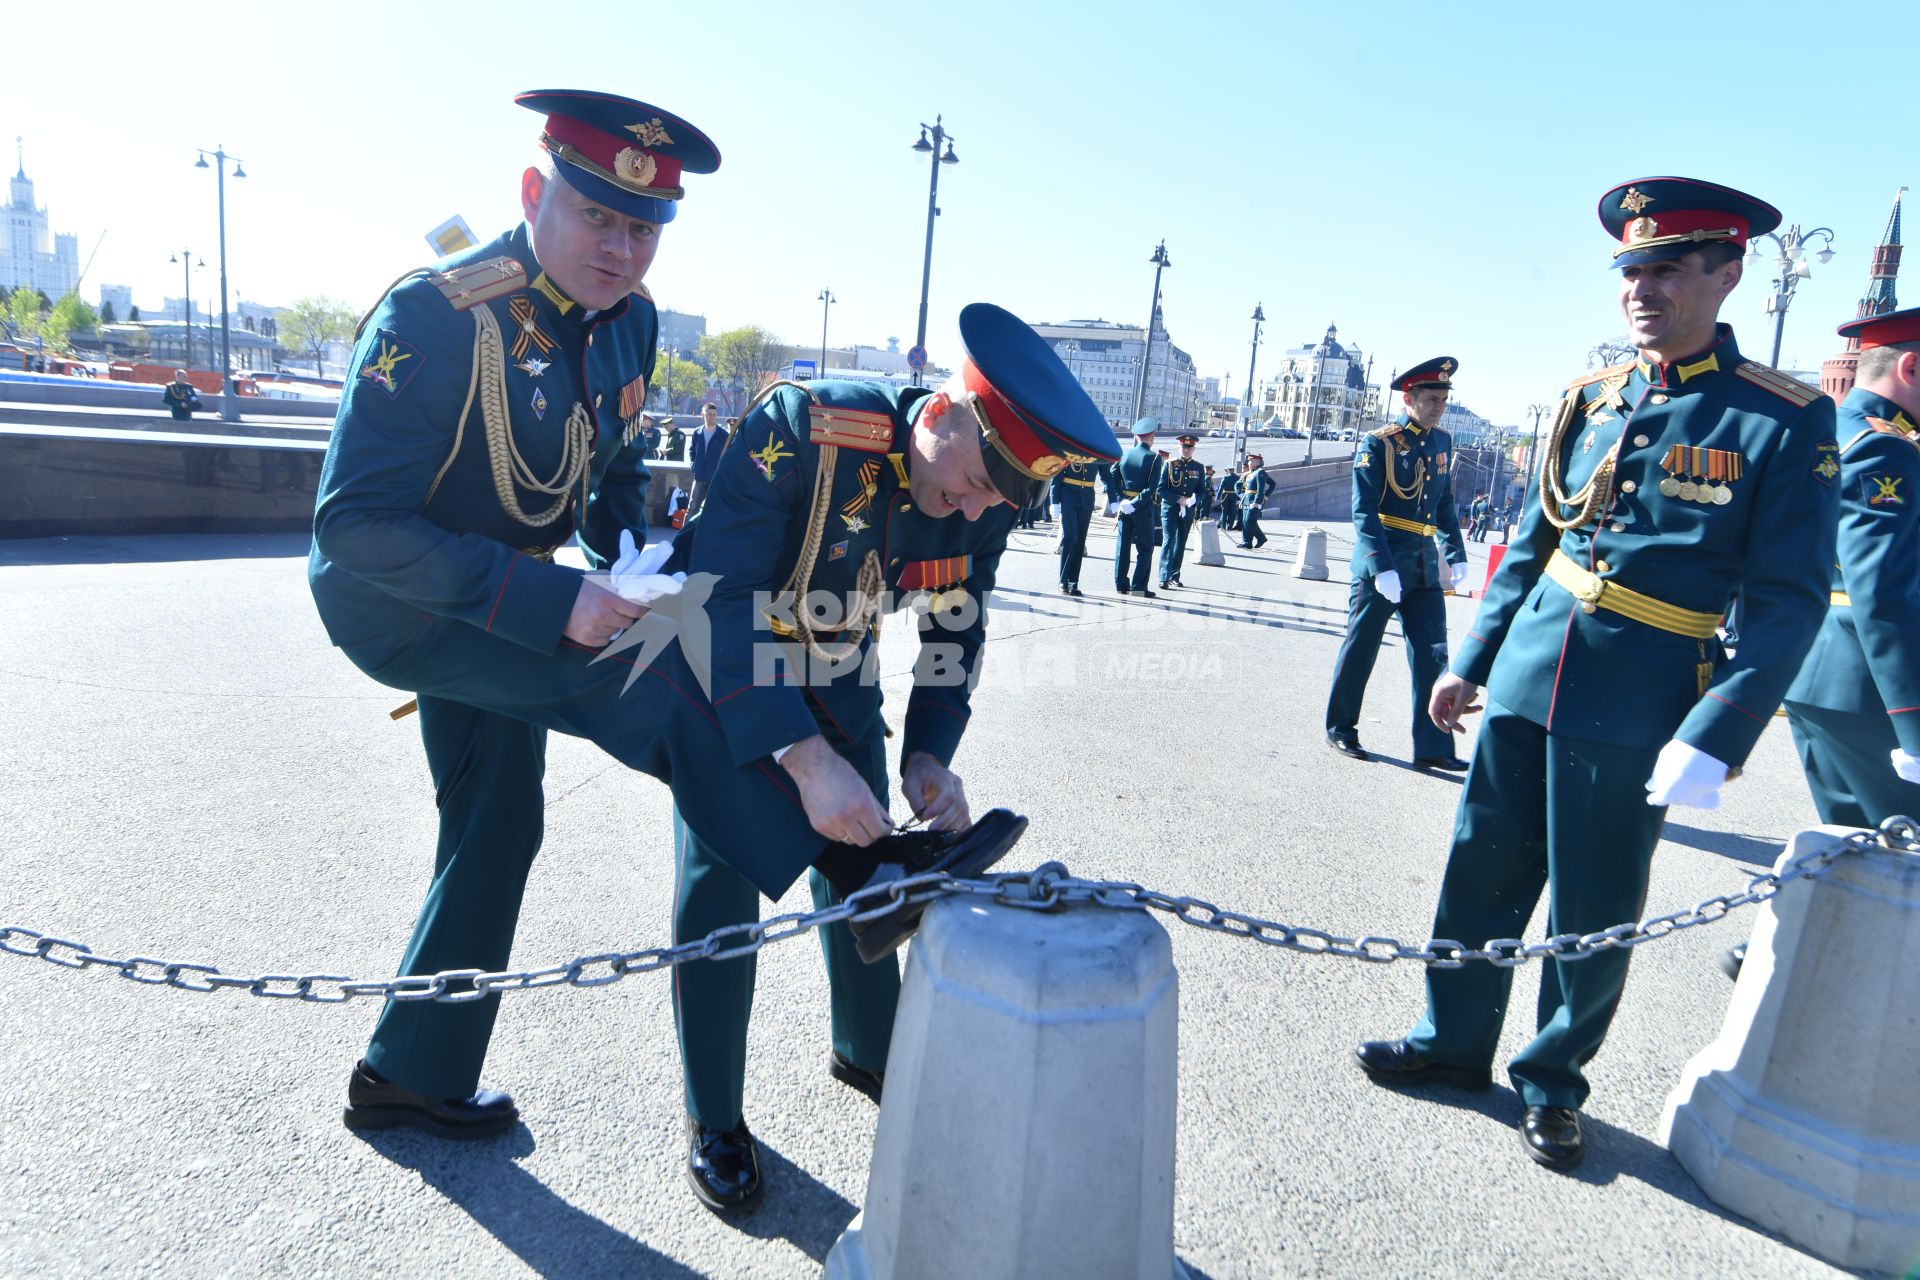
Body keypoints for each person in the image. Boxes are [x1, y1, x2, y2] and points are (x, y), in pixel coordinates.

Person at [311, 91, 1030, 1155]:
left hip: (509, 595)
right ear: (530, 193)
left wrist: (620, 561)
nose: (620, 247)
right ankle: (863, 874)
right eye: (596, 215)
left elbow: (593, 476)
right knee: (675, 691)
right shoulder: (435, 313)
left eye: (642, 228)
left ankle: (406, 1073)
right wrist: (565, 601)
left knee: (499, 818)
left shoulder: (627, 327)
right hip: (406, 609)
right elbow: (352, 528)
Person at [1355, 177, 1838, 1172]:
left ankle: (1551, 1079)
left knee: (1595, 902)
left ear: (1728, 272)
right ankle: (1453, 1043)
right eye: (1631, 269)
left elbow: (1789, 600)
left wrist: (1718, 730)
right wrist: (1470, 662)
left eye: (1666, 267)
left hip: (1646, 699)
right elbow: (1533, 549)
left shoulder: (1781, 419)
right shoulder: (1593, 398)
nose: (1641, 288)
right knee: (1478, 872)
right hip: (1533, 670)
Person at [665, 302, 1119, 1209]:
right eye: (974, 484)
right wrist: (797, 754)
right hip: (728, 669)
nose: (980, 509)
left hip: (842, 666)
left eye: (1001, 499)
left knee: (867, 859)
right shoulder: (804, 430)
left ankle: (869, 1050)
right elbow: (715, 601)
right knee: (721, 880)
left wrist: (928, 757)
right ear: (944, 412)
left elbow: (957, 627)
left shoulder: (986, 491)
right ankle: (714, 1114)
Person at [1716, 305, 1920, 979]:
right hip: (1867, 685)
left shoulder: (1822, 427)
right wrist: (1914, 729)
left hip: (1811, 673)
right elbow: (1883, 593)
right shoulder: (1887, 445)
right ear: (1912, 368)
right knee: (1897, 840)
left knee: (1850, 839)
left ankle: (1784, 958)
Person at [1323, 358, 1471, 768]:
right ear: (1408, 399)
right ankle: (1341, 727)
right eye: (1431, 399)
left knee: (1433, 656)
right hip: (1384, 563)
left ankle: (1434, 747)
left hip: (1423, 565)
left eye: (1443, 399)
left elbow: (1443, 503)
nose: (1439, 405)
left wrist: (1455, 553)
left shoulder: (1442, 441)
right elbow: (1364, 511)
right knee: (1362, 648)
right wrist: (1379, 565)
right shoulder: (1379, 443)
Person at [1111, 418, 1163, 596]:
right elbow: (1151, 488)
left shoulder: (1123, 455)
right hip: (1142, 509)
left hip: (1124, 507)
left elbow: (1112, 479)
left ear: (1137, 436)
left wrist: (1122, 500)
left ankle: (1121, 585)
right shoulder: (1155, 458)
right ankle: (1139, 587)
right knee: (1145, 548)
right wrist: (1134, 504)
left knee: (1123, 547)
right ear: (1152, 437)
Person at [1156, 433, 1206, 588]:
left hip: (1188, 510)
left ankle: (1174, 575)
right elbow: (1161, 488)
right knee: (1169, 540)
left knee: (1181, 543)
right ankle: (1164, 577)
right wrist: (1178, 499)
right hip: (1170, 508)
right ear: (1180, 447)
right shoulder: (1169, 464)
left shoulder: (1198, 467)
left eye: (1189, 447)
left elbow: (1202, 490)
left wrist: (1193, 500)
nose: (1186, 450)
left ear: (1194, 449)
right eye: (1184, 447)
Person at [1049, 451, 1101, 596]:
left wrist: (1114, 499)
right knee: (1071, 537)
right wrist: (1054, 501)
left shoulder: (1098, 452)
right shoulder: (1069, 449)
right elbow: (1057, 475)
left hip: (1087, 498)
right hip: (1068, 497)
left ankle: (1073, 582)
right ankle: (1063, 580)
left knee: (1080, 541)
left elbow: (1107, 476)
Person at [687, 401, 727, 517]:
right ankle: (685, 534)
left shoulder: (723, 435)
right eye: (709, 414)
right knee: (692, 508)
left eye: (714, 414)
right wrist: (694, 468)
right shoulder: (697, 433)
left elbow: (727, 456)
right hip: (699, 478)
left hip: (714, 479)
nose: (712, 417)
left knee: (714, 510)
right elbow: (692, 452)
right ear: (702, 414)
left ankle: (709, 535)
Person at [1238, 454, 1273, 549]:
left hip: (1254, 500)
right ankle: (1246, 542)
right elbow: (1246, 489)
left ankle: (1261, 538)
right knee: (1245, 521)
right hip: (1247, 499)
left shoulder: (1260, 472)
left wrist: (1260, 499)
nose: (1248, 463)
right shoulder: (1251, 473)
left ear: (1256, 462)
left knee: (1250, 520)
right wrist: (1242, 501)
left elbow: (1261, 488)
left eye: (1250, 461)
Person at [1217, 467, 1241, 532]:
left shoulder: (1225, 478)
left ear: (1228, 470)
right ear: (1233, 470)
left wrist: (1218, 497)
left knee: (1224, 512)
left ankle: (1223, 527)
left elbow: (1221, 488)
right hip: (1234, 496)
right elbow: (1240, 488)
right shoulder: (1237, 478)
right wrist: (1239, 497)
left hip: (1226, 496)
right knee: (1232, 512)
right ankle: (1229, 527)